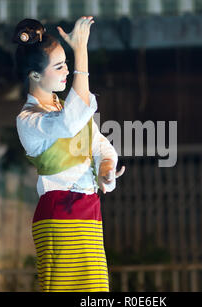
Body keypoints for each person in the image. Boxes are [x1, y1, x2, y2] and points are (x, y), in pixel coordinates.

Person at [14, 17, 125, 292]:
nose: (67, 72)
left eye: (67, 63)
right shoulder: (28, 119)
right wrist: (81, 53)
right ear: (35, 75)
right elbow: (70, 123)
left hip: (89, 210)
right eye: (60, 66)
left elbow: (100, 146)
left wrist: (106, 169)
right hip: (58, 215)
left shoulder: (65, 107)